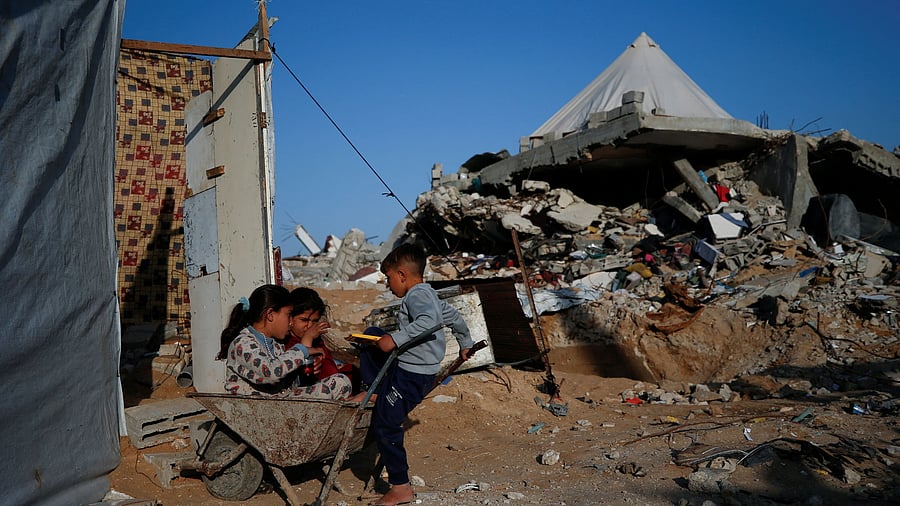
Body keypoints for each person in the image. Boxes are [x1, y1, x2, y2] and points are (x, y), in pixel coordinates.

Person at [354, 243, 473, 506]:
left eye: (388, 278)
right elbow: (452, 316)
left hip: (413, 374)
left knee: (386, 425)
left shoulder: (418, 296)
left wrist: (394, 340)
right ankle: (374, 389)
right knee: (373, 334)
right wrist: (465, 342)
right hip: (408, 366)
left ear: (402, 275)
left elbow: (428, 321)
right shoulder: (427, 293)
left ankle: (400, 487)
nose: (388, 284)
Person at [216, 284, 351, 400]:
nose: (291, 322)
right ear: (270, 315)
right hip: (257, 407)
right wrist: (302, 350)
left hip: (279, 403)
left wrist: (303, 371)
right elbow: (270, 374)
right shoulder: (242, 343)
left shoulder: (276, 345)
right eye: (288, 315)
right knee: (328, 390)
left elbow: (285, 385)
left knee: (340, 382)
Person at [285, 287, 357, 392]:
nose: (309, 326)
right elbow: (304, 377)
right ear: (290, 318)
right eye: (304, 320)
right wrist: (307, 339)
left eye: (314, 321)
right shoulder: (288, 343)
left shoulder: (318, 340)